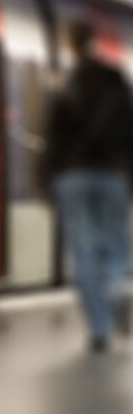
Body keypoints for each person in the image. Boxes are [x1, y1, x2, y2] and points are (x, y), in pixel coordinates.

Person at [44, 22, 133, 352]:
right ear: (93, 41)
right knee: (117, 245)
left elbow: (52, 137)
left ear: (71, 44)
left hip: (72, 176)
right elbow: (129, 130)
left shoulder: (64, 82)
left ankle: (99, 329)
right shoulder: (115, 79)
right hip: (111, 174)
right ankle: (117, 294)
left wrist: (46, 182)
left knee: (82, 250)